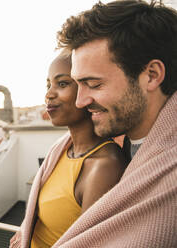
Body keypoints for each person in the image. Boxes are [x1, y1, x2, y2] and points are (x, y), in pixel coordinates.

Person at [52, 1, 177, 247]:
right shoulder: (123, 141)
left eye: (95, 84)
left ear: (151, 75)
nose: (80, 102)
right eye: (78, 84)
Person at [9, 50, 127, 248]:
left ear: (88, 90)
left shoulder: (103, 166)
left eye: (62, 84)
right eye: (48, 85)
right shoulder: (63, 149)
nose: (49, 94)